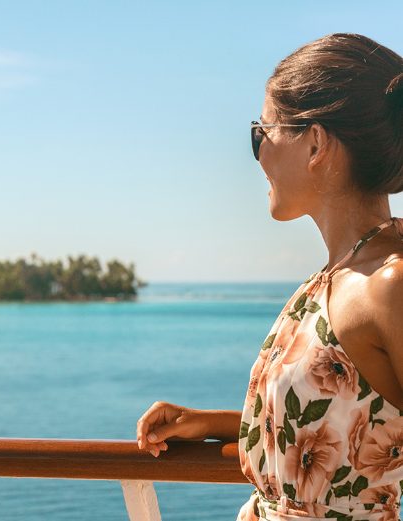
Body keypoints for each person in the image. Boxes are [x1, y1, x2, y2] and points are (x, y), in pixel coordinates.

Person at [136, 33, 403, 521]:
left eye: (263, 131)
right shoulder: (335, 275)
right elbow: (349, 421)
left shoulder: (388, 284)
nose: (257, 153)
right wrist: (214, 423)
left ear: (316, 143)